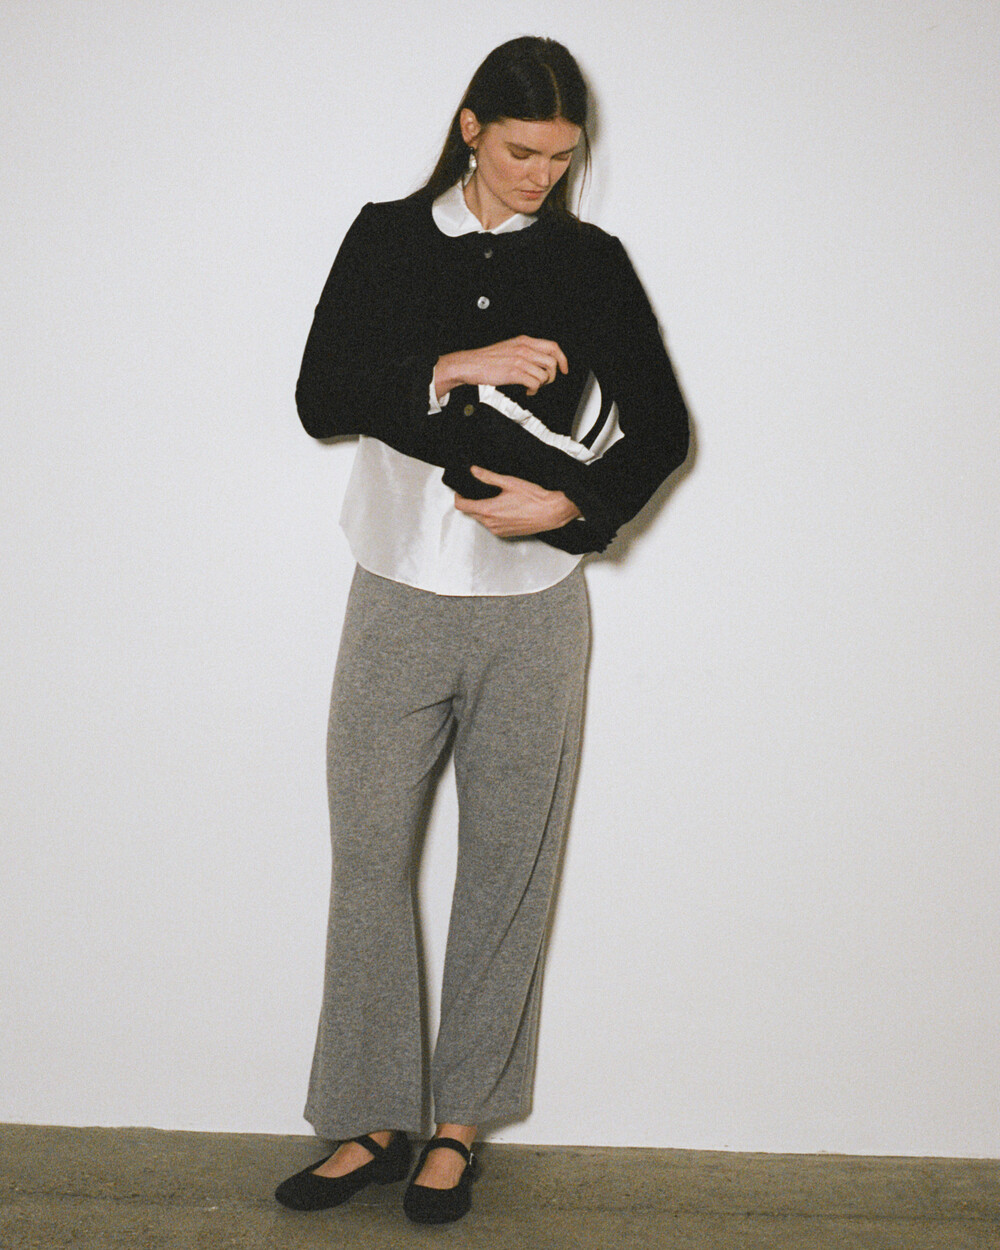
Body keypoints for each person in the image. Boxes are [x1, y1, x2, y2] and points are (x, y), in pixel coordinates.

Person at [274, 36, 689, 1225]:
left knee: (509, 867)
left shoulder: (591, 261)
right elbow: (319, 395)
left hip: (534, 611)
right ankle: (369, 1118)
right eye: (519, 152)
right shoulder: (385, 237)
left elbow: (661, 429)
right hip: (396, 591)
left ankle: (457, 1126)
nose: (538, 176)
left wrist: (572, 507)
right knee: (368, 858)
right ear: (469, 129)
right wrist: (456, 364)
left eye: (559, 158)